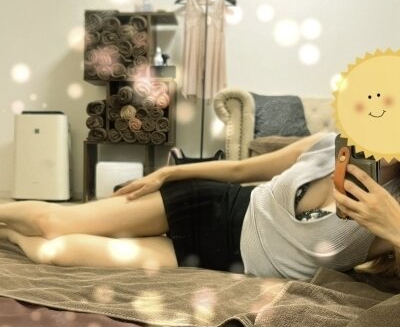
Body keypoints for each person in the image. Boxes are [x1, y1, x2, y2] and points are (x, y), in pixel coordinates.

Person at [0, 131, 399, 279]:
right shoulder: (325, 144)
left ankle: (9, 235)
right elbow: (240, 169)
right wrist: (167, 173)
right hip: (211, 204)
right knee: (53, 223)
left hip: (217, 260)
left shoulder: (394, 214)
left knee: (56, 252)